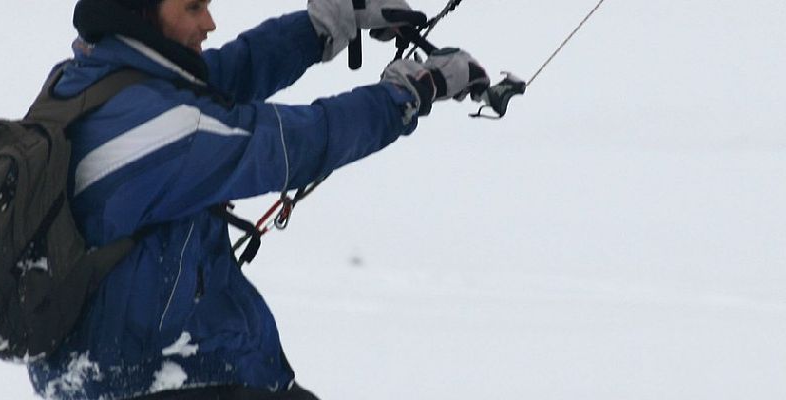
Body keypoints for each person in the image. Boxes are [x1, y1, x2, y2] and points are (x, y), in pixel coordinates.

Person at [29, 0, 489, 399]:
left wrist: (321, 25)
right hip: (162, 375)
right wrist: (410, 92)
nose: (209, 23)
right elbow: (298, 143)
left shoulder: (90, 80)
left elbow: (224, 75)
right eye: (192, 7)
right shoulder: (164, 129)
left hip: (105, 367)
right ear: (140, 16)